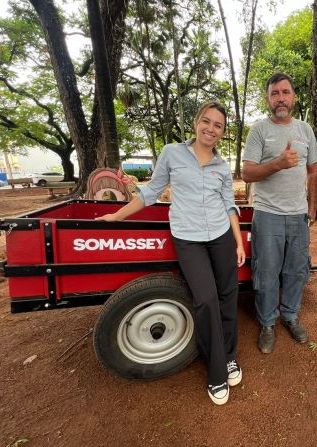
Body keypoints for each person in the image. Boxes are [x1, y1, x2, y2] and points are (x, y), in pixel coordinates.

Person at [96, 101, 245, 406]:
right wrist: (116, 217)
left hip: (221, 237)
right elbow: (151, 192)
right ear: (195, 122)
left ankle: (229, 357)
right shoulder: (172, 153)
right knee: (205, 300)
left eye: (218, 125)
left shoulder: (220, 166)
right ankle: (217, 371)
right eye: (206, 121)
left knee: (229, 296)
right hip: (188, 239)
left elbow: (229, 205)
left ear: (223, 132)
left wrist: (238, 242)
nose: (211, 129)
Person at [242, 72, 317, 354]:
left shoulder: (305, 130)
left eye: (285, 92)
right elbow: (247, 172)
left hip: (298, 216)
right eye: (275, 93)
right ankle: (267, 323)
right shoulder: (259, 130)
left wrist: (311, 207)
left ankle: (290, 316)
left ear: (294, 96)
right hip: (268, 214)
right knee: (266, 274)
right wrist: (277, 163)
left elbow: (313, 170)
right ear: (268, 98)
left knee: (297, 271)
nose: (281, 98)